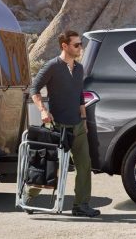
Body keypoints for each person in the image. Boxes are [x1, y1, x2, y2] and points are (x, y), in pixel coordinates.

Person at [24, 30, 100, 217]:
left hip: (77, 125)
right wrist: (43, 110)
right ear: (64, 46)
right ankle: (29, 195)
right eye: (76, 45)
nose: (80, 48)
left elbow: (79, 95)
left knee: (84, 165)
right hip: (57, 126)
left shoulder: (79, 68)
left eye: (80, 44)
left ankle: (81, 205)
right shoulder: (52, 66)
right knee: (53, 167)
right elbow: (34, 88)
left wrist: (84, 119)